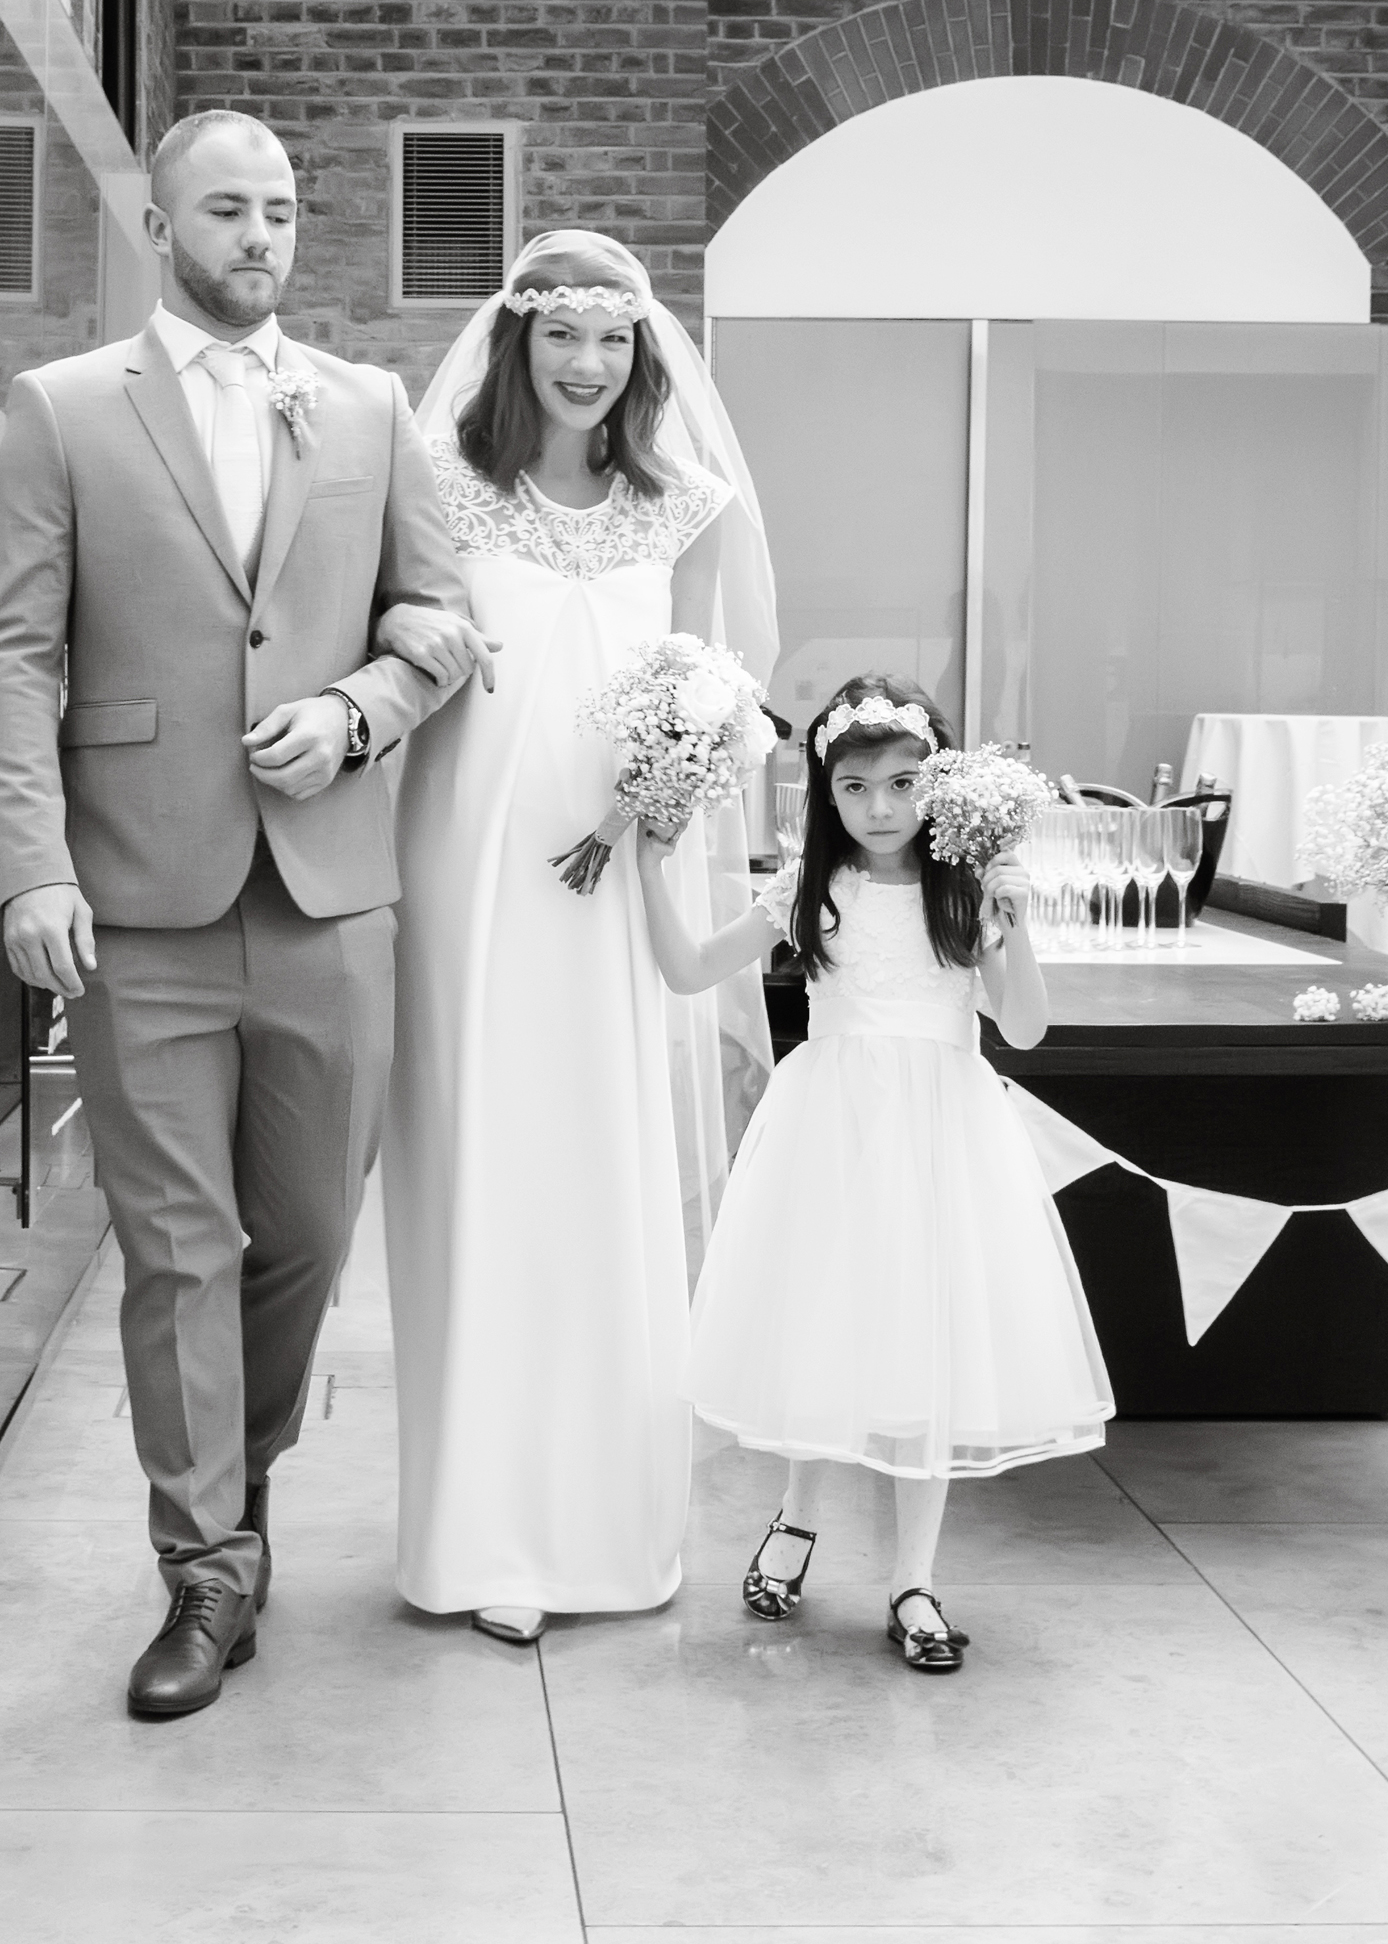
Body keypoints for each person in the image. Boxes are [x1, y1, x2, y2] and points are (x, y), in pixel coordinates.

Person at [0, 108, 491, 1719]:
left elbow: (443, 619)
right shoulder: (61, 413)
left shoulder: (370, 404)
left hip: (334, 892)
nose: (260, 237)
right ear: (158, 223)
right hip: (140, 896)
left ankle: (236, 1479)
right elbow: (10, 657)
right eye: (226, 210)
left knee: (309, 1237)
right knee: (178, 1245)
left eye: (277, 211)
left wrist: (359, 714)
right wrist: (34, 866)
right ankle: (203, 1565)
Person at [372, 230, 783, 1642]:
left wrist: (681, 773)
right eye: (562, 335)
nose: (588, 363)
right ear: (515, 341)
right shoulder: (442, 494)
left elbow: (731, 698)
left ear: (645, 354)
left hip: (610, 886)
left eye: (614, 339)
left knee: (597, 1169)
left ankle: (601, 1533)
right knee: (478, 1172)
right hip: (467, 868)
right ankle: (483, 1537)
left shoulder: (685, 511)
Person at [633, 675, 1114, 1672]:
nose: (881, 808)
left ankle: (912, 1576)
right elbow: (685, 969)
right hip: (830, 1125)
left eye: (902, 783)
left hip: (942, 1130)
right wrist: (649, 857)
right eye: (855, 787)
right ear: (826, 790)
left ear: (935, 785)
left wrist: (1010, 919)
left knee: (924, 1342)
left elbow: (1022, 1026)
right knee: (825, 1316)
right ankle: (797, 1514)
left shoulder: (964, 892)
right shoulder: (811, 889)